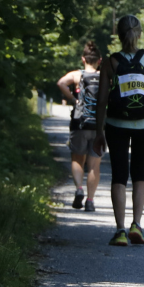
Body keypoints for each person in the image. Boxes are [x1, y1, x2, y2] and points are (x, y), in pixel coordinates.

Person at [93, 15, 144, 246]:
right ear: (140, 34)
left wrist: (98, 131)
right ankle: (137, 224)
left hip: (116, 124)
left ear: (119, 35)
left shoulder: (110, 61)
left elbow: (102, 99)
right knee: (139, 174)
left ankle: (120, 230)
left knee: (118, 175)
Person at [57, 41, 103, 212]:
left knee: (77, 159)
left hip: (79, 122)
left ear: (83, 59)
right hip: (98, 125)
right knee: (94, 164)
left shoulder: (77, 75)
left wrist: (73, 99)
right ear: (100, 60)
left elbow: (61, 83)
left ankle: (79, 189)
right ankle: (90, 201)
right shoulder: (105, 76)